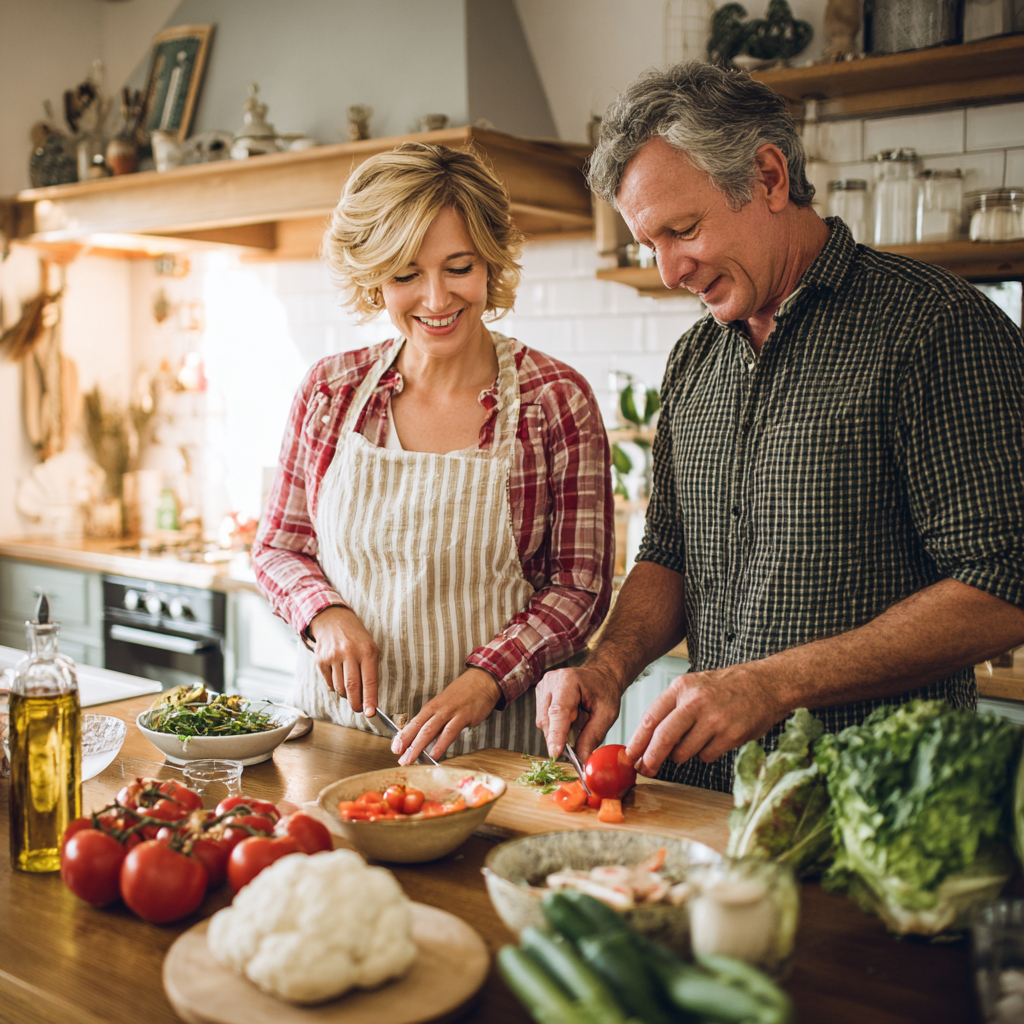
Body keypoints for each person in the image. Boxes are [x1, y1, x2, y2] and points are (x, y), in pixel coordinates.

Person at [537, 61, 1024, 792]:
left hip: (873, 804)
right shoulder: (696, 358)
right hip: (710, 804)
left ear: (768, 176)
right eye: (650, 245)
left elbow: (1005, 583)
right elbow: (669, 548)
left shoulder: (935, 327)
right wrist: (606, 664)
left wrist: (772, 685)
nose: (669, 270)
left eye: (684, 229)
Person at [253, 143, 613, 764]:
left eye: (458, 266)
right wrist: (325, 614)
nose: (437, 299)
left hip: (493, 753)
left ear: (491, 262)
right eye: (405, 275)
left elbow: (579, 587)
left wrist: (486, 679)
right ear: (373, 279)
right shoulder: (330, 392)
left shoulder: (554, 400)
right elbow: (280, 546)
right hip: (340, 741)